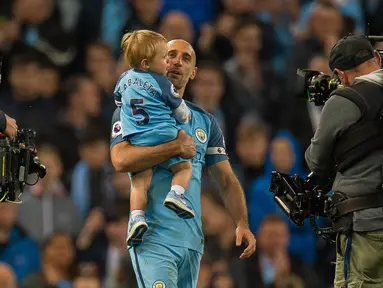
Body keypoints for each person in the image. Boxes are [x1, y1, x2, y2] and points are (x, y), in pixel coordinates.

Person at [110, 39, 256, 287]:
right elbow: (121, 160)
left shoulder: (205, 122)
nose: (177, 61)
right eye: (171, 55)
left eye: (186, 58)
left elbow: (226, 179)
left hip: (192, 241)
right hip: (152, 236)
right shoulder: (131, 109)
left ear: (193, 73)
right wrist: (174, 147)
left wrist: (242, 222)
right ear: (159, 62)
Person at [305, 35, 383, 287]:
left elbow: (316, 161)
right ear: (378, 58)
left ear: (339, 74)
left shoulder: (344, 100)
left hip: (365, 227)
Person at [115, 30, 194, 246]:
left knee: (139, 183)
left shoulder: (124, 79)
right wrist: (184, 122)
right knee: (184, 167)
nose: (169, 63)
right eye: (164, 57)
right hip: (165, 133)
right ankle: (176, 194)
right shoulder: (161, 82)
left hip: (137, 137)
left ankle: (136, 218)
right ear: (146, 63)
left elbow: (118, 99)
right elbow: (178, 107)